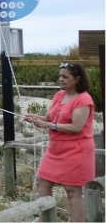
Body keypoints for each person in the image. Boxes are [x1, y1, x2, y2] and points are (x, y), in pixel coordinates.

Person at [24, 61, 95, 222]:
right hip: (55, 149)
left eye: (65, 76)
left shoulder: (83, 99)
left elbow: (76, 127)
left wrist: (47, 125)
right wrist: (36, 118)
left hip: (77, 150)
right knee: (43, 183)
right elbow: (50, 118)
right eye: (60, 76)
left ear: (77, 78)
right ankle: (46, 219)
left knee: (72, 192)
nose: (61, 79)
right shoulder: (59, 95)